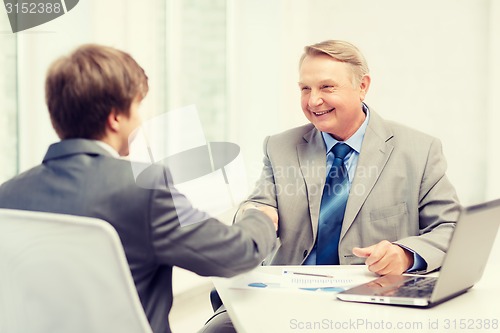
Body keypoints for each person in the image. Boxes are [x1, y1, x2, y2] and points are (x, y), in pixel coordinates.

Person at [0, 44, 278, 333]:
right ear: (116, 118)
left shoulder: (7, 195)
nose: (140, 120)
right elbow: (234, 254)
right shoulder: (142, 187)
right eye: (137, 107)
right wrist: (260, 218)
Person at [202, 39, 461, 332]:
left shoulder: (419, 150)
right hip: (281, 297)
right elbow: (258, 204)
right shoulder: (280, 146)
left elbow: (451, 228)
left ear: (362, 86)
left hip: (372, 301)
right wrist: (255, 214)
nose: (313, 101)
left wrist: (405, 254)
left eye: (327, 87)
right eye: (305, 88)